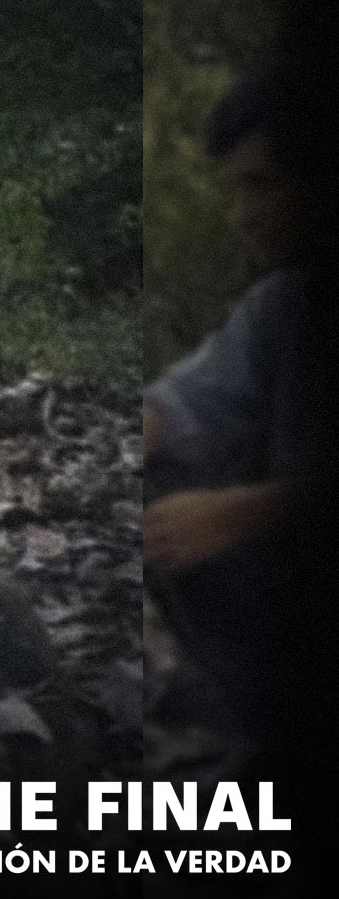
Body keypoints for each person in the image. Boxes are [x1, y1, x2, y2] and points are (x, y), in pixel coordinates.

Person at [143, 68, 320, 776]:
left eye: (264, 185)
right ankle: (266, 741)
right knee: (161, 482)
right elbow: (192, 400)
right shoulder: (284, 306)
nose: (243, 213)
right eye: (238, 187)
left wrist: (254, 512)